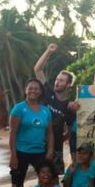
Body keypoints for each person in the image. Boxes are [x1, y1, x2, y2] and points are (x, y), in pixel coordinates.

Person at [8, 78, 54, 187]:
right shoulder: (19, 108)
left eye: (36, 88)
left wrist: (50, 150)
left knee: (46, 179)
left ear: (40, 92)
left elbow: (50, 133)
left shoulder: (45, 110)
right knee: (16, 184)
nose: (33, 91)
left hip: (40, 151)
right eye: (30, 88)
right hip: (21, 151)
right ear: (25, 90)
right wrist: (13, 155)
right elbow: (12, 133)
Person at [33, 43, 76, 175]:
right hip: (39, 144)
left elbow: (69, 132)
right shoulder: (47, 92)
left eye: (62, 80)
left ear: (68, 84)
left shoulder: (69, 106)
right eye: (57, 79)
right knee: (41, 177)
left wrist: (60, 138)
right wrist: (48, 51)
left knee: (55, 178)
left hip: (57, 148)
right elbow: (37, 69)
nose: (57, 82)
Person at [68, 67, 95, 162]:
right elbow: (75, 108)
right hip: (77, 131)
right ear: (94, 76)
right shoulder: (81, 89)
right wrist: (71, 106)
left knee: (91, 162)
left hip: (94, 134)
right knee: (76, 162)